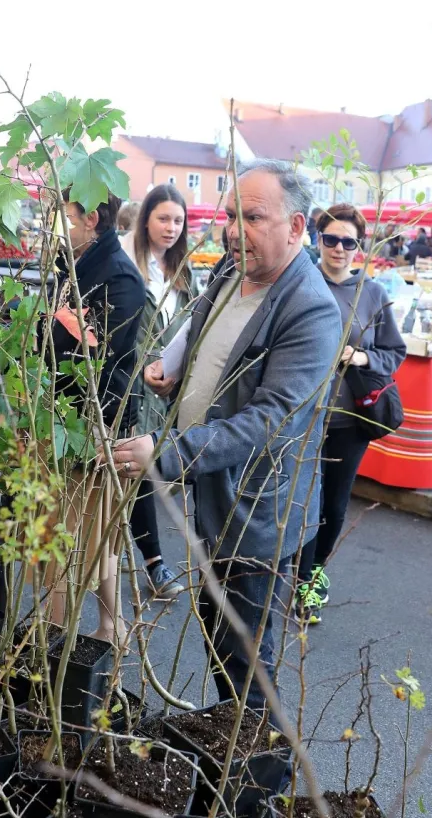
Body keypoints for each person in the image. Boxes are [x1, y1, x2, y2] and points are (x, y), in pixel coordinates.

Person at [111, 160, 342, 709]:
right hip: (213, 489)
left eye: (254, 217)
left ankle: (262, 783)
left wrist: (166, 456)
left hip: (255, 512)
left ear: (296, 227)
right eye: (232, 214)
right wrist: (176, 378)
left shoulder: (311, 310)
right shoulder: (230, 271)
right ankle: (241, 768)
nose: (235, 229)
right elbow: (208, 343)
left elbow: (269, 419)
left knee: (244, 666)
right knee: (220, 643)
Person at [295, 203, 406, 622]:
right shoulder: (302, 284)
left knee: (335, 504)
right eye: (331, 239)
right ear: (317, 239)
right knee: (302, 499)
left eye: (348, 242)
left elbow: (394, 352)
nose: (339, 248)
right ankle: (298, 577)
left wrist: (361, 357)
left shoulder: (373, 294)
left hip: (351, 419)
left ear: (359, 246)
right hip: (304, 413)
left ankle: (313, 574)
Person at [48, 189, 146, 645]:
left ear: (91, 220)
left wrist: (95, 430)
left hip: (94, 426)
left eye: (62, 216)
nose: (53, 225)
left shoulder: (119, 278)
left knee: (70, 540)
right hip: (65, 419)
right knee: (91, 535)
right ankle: (110, 628)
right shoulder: (73, 266)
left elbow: (111, 365)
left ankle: (54, 641)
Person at [120, 185, 192, 599]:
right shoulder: (129, 265)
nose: (171, 227)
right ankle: (154, 563)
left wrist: (176, 373)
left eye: (178, 221)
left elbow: (190, 328)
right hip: (129, 386)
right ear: (146, 218)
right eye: (163, 218)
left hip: (168, 390)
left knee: (151, 468)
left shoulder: (183, 272)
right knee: (138, 467)